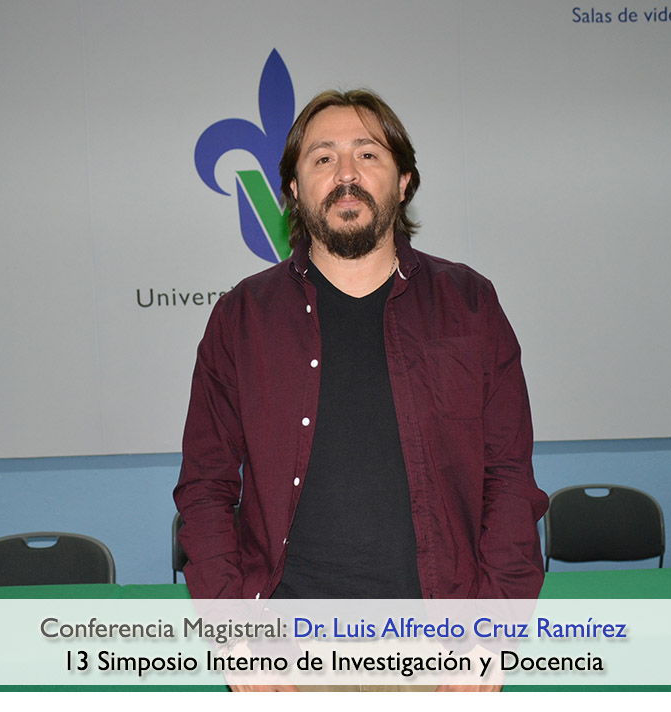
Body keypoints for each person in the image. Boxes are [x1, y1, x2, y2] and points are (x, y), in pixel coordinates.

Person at [174, 89, 548, 691]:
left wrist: (495, 634)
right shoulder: (242, 318)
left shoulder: (471, 305)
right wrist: (233, 636)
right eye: (323, 158)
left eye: (367, 154)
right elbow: (205, 488)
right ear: (293, 189)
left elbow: (508, 480)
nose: (345, 174)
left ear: (403, 181)